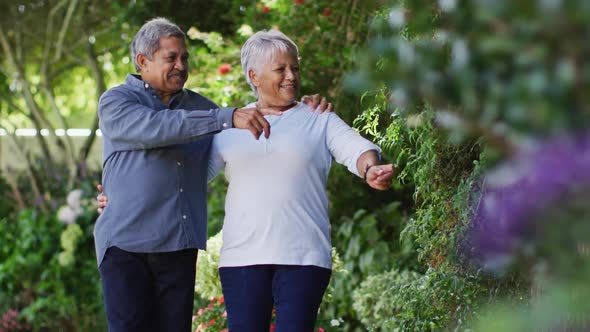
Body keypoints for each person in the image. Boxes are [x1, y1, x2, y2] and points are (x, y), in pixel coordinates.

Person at [95, 18, 329, 332]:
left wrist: (304, 108)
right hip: (126, 245)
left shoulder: (201, 108)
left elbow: (245, 131)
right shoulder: (117, 101)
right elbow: (156, 128)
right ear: (142, 61)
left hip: (177, 246)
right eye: (171, 58)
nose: (181, 65)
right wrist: (226, 117)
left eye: (184, 58)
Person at [205, 30, 395, 331]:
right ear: (254, 76)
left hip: (303, 255)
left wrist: (371, 168)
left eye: (295, 67)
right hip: (241, 258)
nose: (291, 76)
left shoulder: (318, 117)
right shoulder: (231, 125)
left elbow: (356, 149)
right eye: (280, 69)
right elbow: (187, 176)